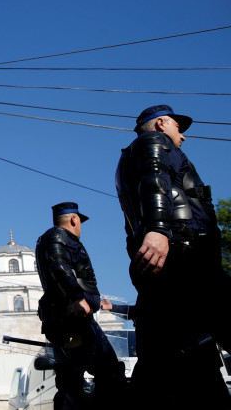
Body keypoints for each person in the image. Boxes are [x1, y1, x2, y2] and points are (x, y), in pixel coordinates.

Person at [116, 104, 231, 409]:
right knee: (186, 345)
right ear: (162, 123)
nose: (183, 137)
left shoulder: (130, 156)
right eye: (179, 128)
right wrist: (157, 229)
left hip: (172, 261)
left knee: (166, 352)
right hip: (185, 259)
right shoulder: (154, 143)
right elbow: (155, 181)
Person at [35, 202, 126, 410]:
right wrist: (78, 297)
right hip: (74, 319)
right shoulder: (59, 237)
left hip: (64, 318)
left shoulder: (49, 239)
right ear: (74, 219)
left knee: (70, 380)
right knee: (109, 371)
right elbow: (59, 266)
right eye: (79, 222)